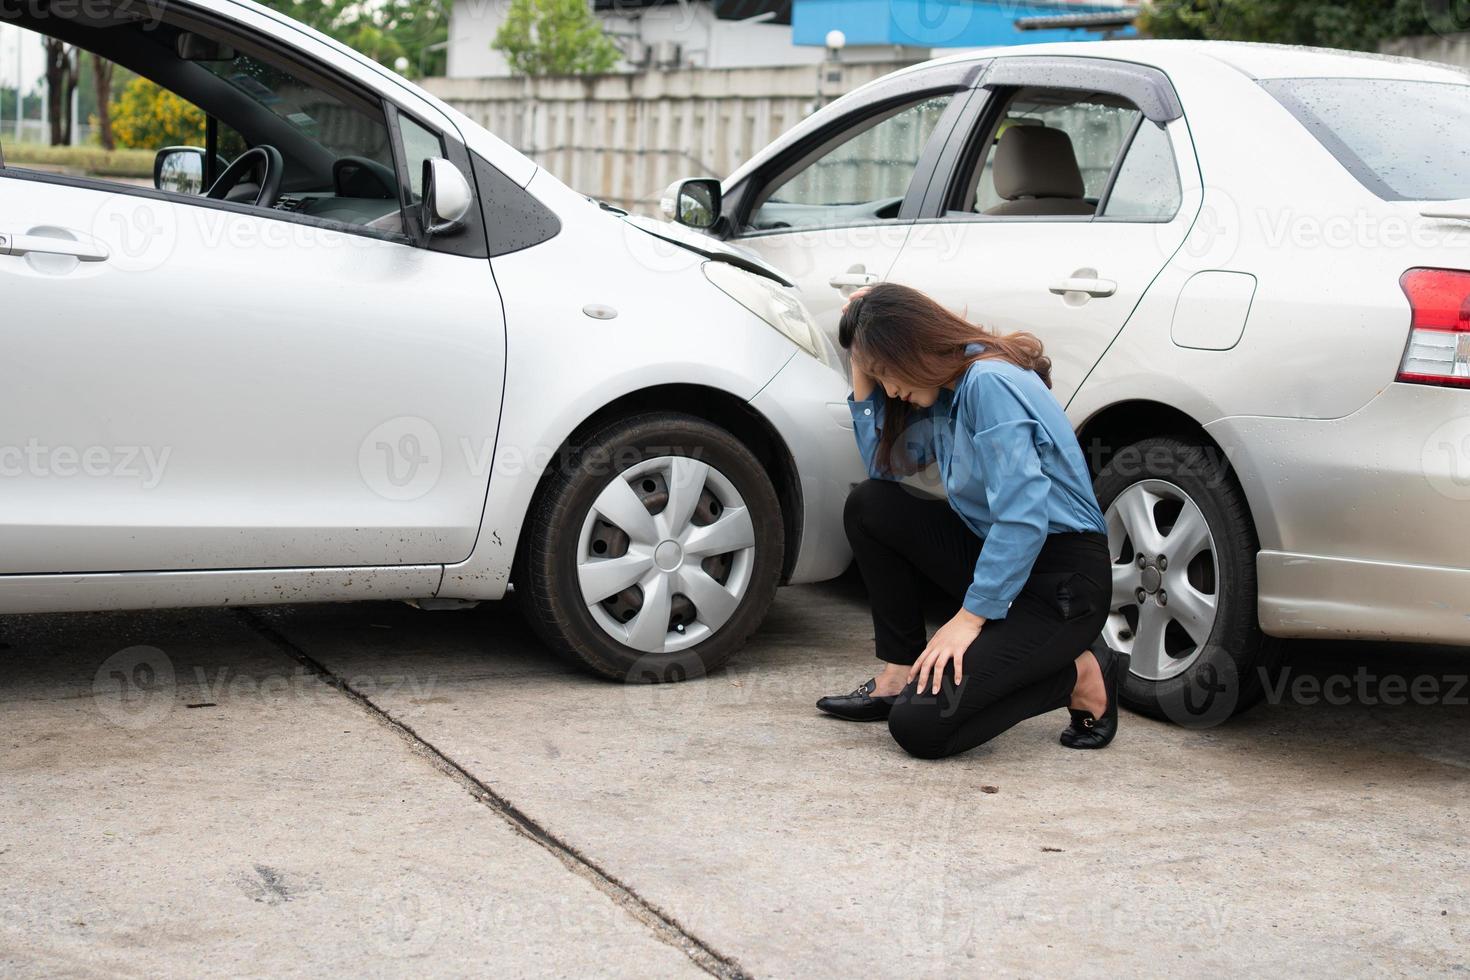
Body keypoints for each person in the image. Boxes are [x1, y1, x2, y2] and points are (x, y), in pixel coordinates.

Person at [816, 283, 1128, 757]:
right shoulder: (948, 390)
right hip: (1005, 562)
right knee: (872, 505)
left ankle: (1079, 673)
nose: (887, 390)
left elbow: (1023, 518)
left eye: (884, 372)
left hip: (1062, 584)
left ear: (911, 348)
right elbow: (884, 467)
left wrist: (968, 619)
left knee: (920, 727)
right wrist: (859, 346)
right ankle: (899, 671)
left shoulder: (989, 382)